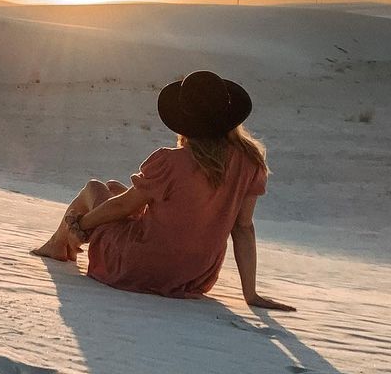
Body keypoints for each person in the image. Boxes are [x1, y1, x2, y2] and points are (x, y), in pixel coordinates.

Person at [33, 70, 295, 311]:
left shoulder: (171, 161)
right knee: (114, 188)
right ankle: (60, 243)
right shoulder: (250, 163)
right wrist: (250, 294)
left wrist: (79, 225)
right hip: (192, 277)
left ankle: (59, 243)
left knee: (95, 189)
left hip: (138, 266)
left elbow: (125, 207)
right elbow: (243, 227)